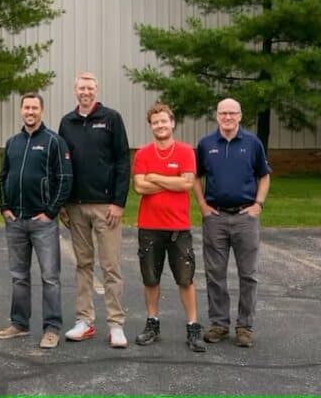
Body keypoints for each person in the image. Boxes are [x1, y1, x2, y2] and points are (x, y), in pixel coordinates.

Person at [57, 72, 130, 348]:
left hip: (106, 207)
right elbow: (63, 165)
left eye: (90, 87)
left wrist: (119, 202)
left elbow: (123, 160)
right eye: (81, 87)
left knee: (110, 266)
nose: (85, 91)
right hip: (76, 207)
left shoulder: (111, 118)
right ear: (74, 90)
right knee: (83, 265)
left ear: (96, 90)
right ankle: (84, 321)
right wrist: (64, 202)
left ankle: (116, 325)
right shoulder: (67, 122)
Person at [0, 93, 72, 349]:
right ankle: (19, 323)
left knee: (50, 277)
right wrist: (4, 206)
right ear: (21, 110)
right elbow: (3, 176)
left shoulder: (54, 142)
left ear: (41, 110)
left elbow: (64, 178)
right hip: (15, 221)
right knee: (19, 276)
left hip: (43, 222)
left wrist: (50, 211)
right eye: (26, 107)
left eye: (34, 108)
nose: (30, 111)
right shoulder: (12, 142)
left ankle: (52, 328)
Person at [193, 98, 271, 348]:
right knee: (215, 274)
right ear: (216, 116)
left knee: (248, 275)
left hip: (244, 218)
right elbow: (195, 177)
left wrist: (257, 205)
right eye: (223, 113)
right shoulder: (206, 144)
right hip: (215, 217)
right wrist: (203, 206)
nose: (227, 117)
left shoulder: (252, 143)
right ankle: (219, 324)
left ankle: (244, 326)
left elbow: (264, 175)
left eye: (232, 113)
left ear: (240, 116)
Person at [131, 103, 206, 352]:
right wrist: (170, 182)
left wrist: (154, 177)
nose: (160, 125)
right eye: (155, 122)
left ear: (172, 123)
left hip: (178, 227)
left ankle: (193, 327)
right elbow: (139, 187)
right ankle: (152, 324)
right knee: (150, 278)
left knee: (185, 278)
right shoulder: (142, 153)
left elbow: (186, 184)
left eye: (164, 121)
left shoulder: (185, 151)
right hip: (149, 226)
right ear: (151, 126)